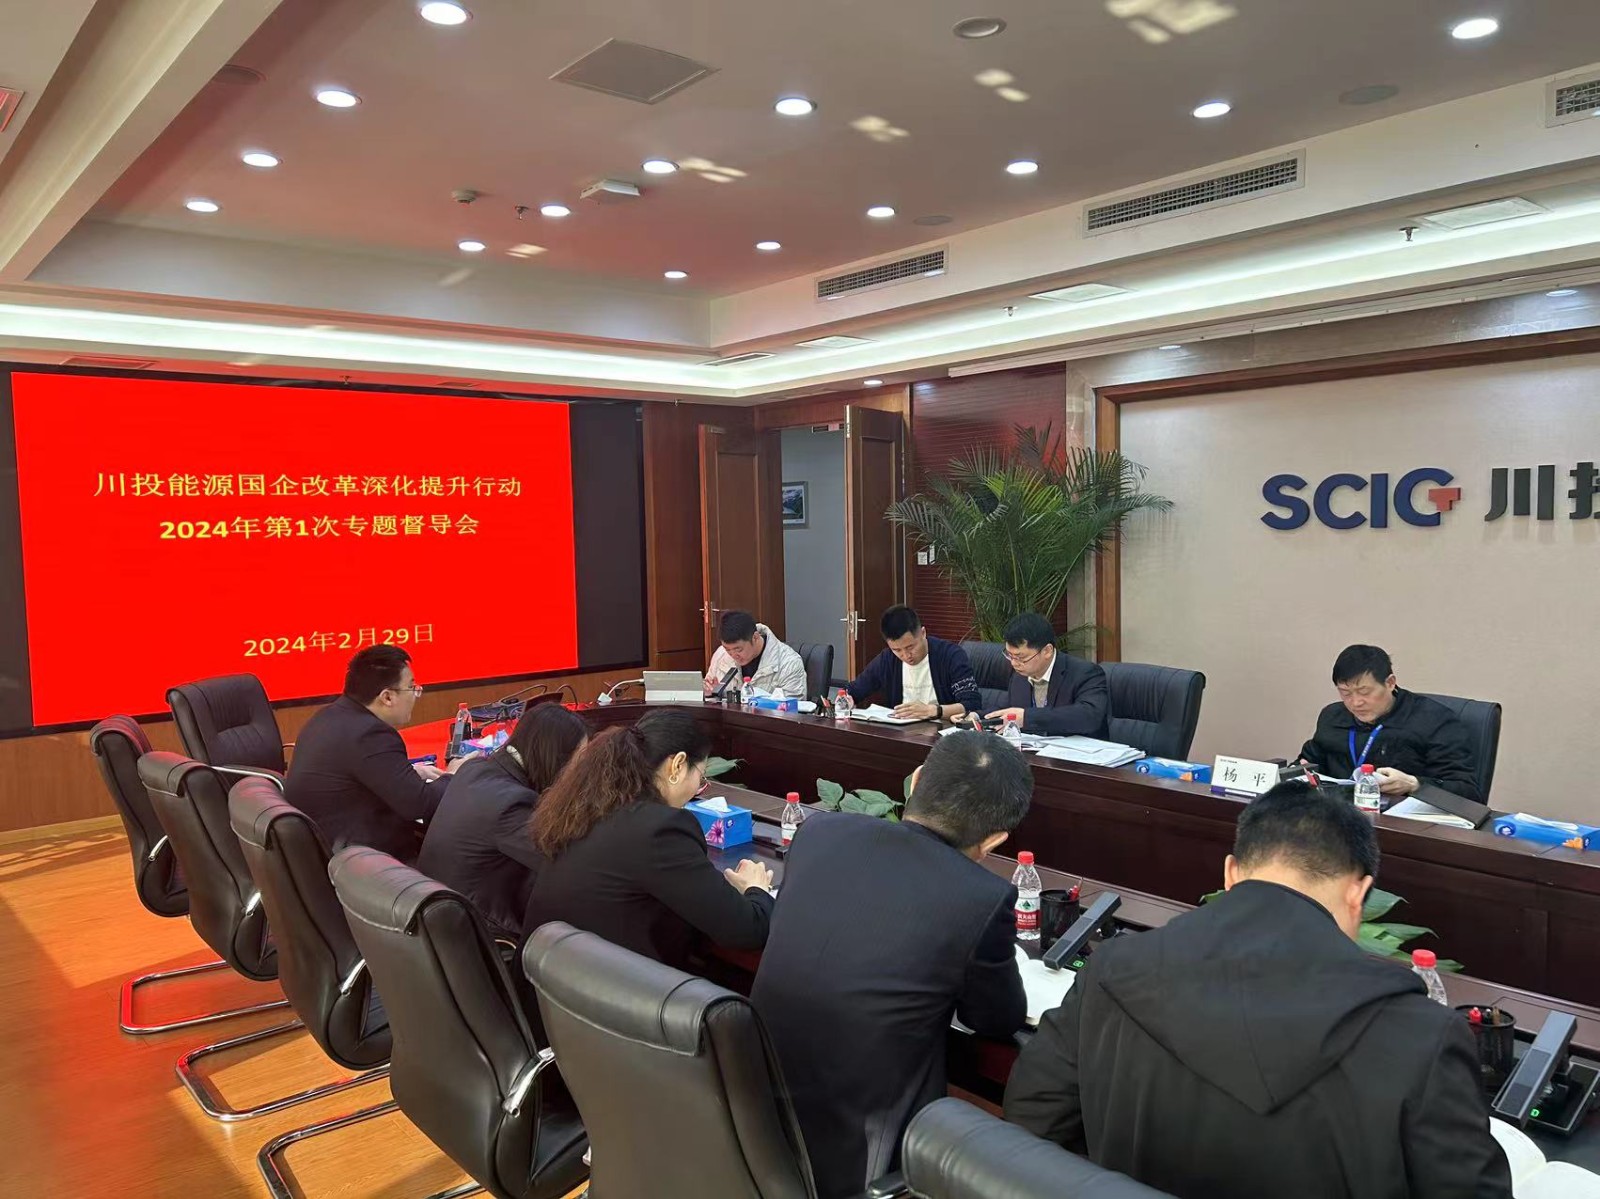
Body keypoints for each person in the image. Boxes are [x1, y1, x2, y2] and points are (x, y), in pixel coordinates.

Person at [1003, 780, 1512, 1199]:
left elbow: (1029, 1124)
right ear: (1359, 891)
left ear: (1230, 873)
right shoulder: (1420, 1035)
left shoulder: (1113, 968)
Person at [752, 730, 1031, 1199]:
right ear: (995, 840)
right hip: (865, 1148)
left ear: (915, 780)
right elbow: (996, 1019)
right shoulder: (982, 897)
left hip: (754, 1103)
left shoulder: (819, 831)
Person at [522, 708, 774, 969]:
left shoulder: (585, 810)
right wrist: (756, 888)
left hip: (548, 979)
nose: (698, 789)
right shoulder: (660, 830)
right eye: (701, 777)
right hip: (608, 987)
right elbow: (747, 930)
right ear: (677, 765)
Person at [417, 704, 588, 941]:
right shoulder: (511, 803)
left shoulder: (475, 769)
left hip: (438, 916)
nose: (579, 772)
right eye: (579, 761)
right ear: (556, 757)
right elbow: (565, 863)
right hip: (478, 934)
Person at [286, 645, 468, 863]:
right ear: (387, 697)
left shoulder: (328, 717)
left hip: (327, 854)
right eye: (411, 687)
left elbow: (356, 777)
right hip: (362, 866)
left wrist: (407, 774)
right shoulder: (370, 734)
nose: (417, 694)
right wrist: (454, 775)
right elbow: (420, 804)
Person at [1300, 644, 1481, 802]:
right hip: (1338, 817)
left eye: (1364, 692)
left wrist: (1414, 784)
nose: (1355, 702)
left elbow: (1468, 792)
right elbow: (1308, 763)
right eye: (1345, 693)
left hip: (1405, 824)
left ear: (1390, 683)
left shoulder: (1433, 720)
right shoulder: (1332, 716)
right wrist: (1298, 772)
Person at [845, 604, 982, 722]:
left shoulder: (951, 655)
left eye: (910, 647)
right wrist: (847, 699)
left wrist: (933, 711)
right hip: (901, 734)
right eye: (897, 650)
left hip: (943, 734)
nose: (905, 655)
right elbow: (854, 691)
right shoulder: (887, 659)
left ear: (923, 633)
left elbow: (972, 705)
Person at [984, 612, 1110, 738]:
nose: (1014, 663)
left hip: (1080, 749)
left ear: (1047, 651)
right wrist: (978, 716)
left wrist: (1027, 718)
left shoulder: (1085, 673)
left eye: (1020, 657)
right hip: (1035, 748)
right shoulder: (1020, 676)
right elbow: (1008, 708)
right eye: (1010, 655)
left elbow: (1089, 716)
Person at [703, 609, 808, 699]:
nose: (733, 655)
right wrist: (710, 694)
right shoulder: (721, 655)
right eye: (727, 649)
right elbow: (708, 697)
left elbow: (794, 709)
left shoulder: (789, 663)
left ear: (755, 637)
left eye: (738, 649)